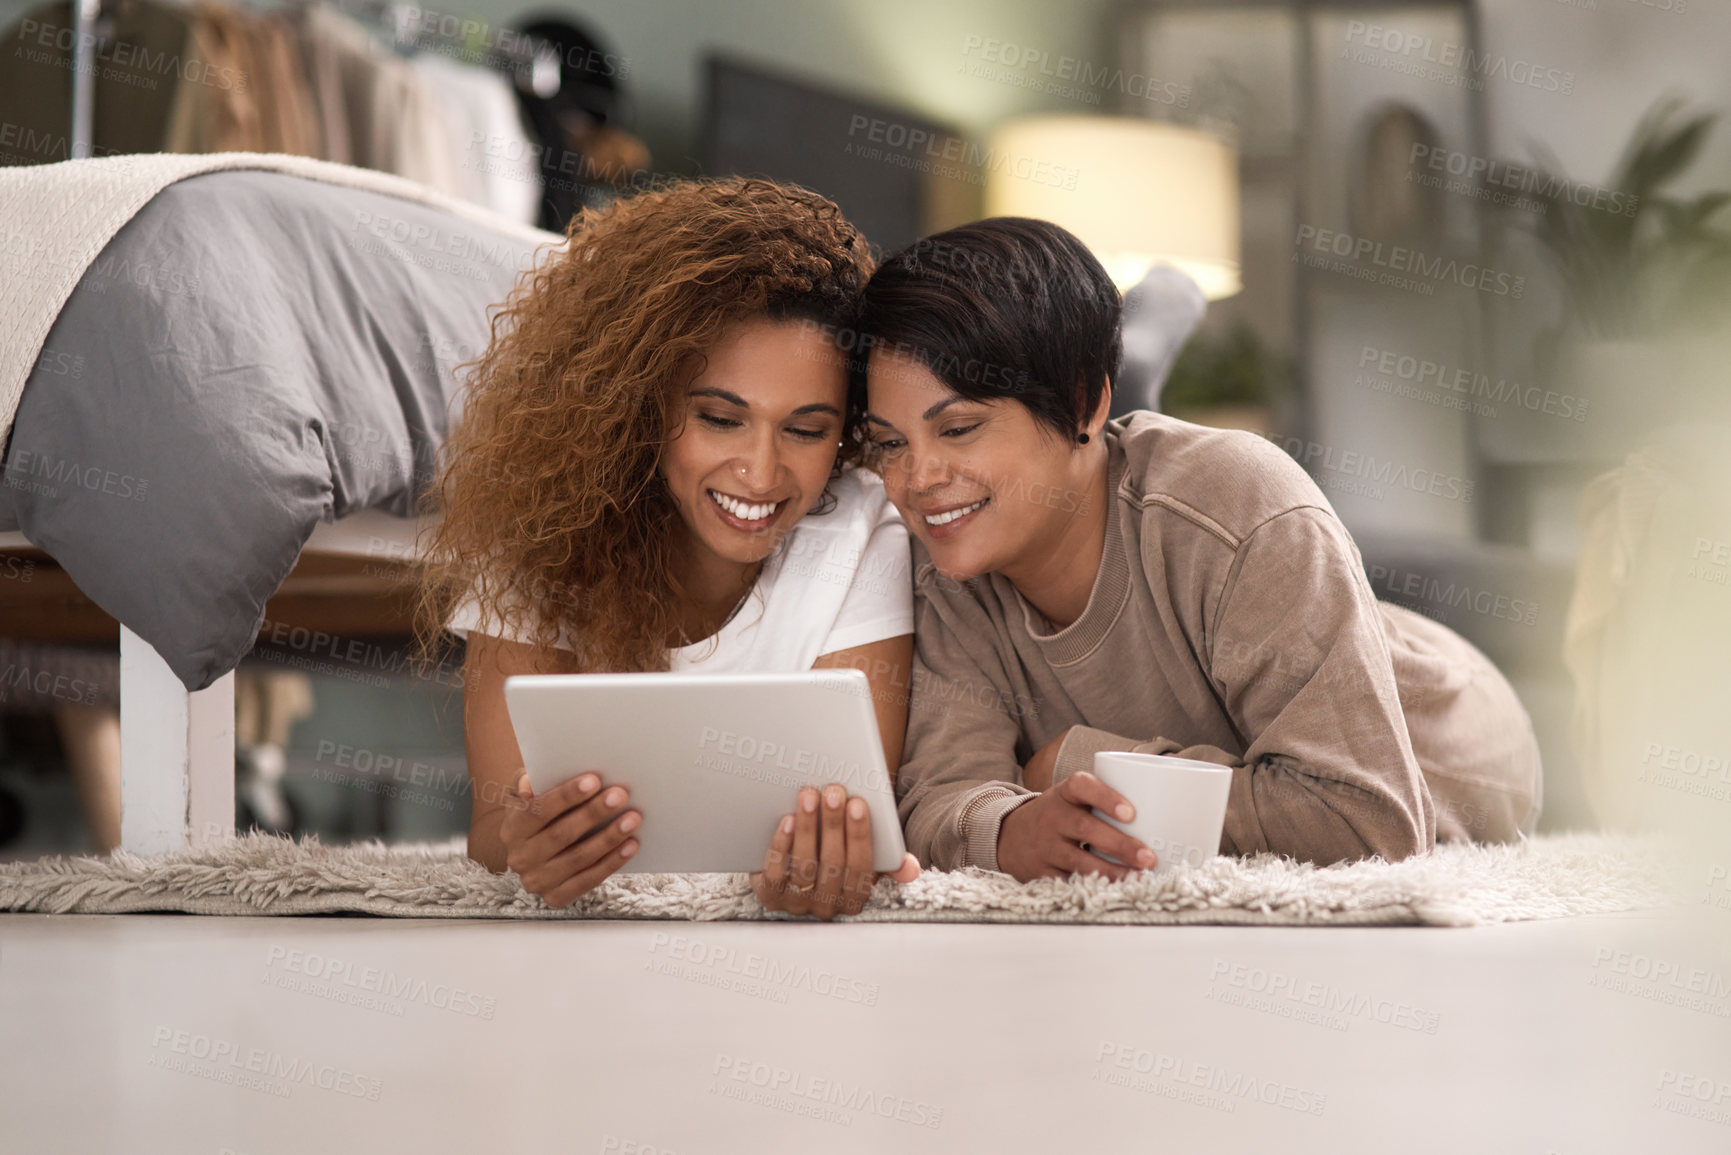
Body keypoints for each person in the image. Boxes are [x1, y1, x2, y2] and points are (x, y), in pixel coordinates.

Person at [857, 217, 1542, 881]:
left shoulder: (1241, 500)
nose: (916, 482)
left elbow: (1367, 822)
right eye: (889, 443)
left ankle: (1137, 367)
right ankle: (1136, 368)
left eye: (958, 428)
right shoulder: (946, 556)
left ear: (1081, 403)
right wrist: (1010, 829)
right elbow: (942, 796)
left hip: (1448, 730)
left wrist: (1076, 760)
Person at [415, 177, 920, 918]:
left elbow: (856, 823)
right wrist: (530, 845)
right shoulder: (544, 526)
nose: (760, 471)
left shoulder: (861, 528)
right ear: (639, 403)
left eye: (806, 429)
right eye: (719, 418)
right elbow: (493, 836)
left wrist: (823, 868)